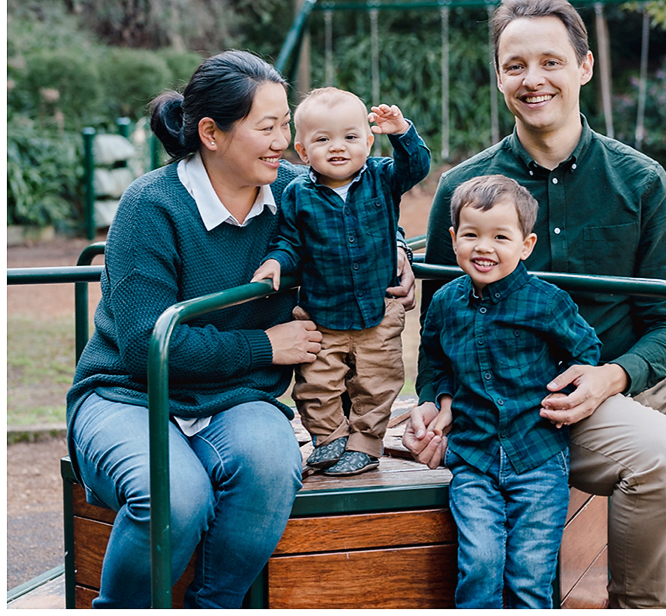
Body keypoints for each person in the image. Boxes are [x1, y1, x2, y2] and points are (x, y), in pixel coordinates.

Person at [405, 0, 666, 608]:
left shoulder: (638, 179)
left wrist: (613, 376)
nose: (532, 79)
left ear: (584, 67)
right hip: (524, 402)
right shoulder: (467, 189)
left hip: (628, 377)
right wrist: (435, 401)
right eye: (515, 65)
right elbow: (440, 329)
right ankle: (638, 604)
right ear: (499, 78)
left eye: (550, 61)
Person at [66, 52, 317, 607]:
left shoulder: (297, 193)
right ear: (211, 132)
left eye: (287, 125)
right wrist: (265, 346)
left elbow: (359, 211)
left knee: (273, 465)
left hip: (233, 397)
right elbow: (142, 346)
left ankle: (215, 605)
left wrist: (393, 250)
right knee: (177, 498)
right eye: (268, 127)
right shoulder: (152, 204)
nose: (286, 142)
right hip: (129, 393)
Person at [409, 175, 603, 608]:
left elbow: (586, 349)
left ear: (526, 244)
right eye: (472, 235)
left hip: (536, 454)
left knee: (529, 576)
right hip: (473, 457)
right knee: (479, 563)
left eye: (500, 236)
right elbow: (434, 358)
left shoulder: (546, 302)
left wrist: (569, 391)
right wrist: (442, 398)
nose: (484, 247)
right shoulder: (445, 302)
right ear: (454, 238)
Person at [252, 89, 431, 477]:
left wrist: (400, 132)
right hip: (322, 314)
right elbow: (290, 241)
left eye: (350, 137)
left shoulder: (382, 177)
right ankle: (328, 438)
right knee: (316, 383)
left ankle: (365, 445)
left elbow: (416, 166)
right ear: (302, 151)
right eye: (322, 139)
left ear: (368, 142)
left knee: (377, 382)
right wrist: (274, 262)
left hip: (376, 313)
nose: (337, 148)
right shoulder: (297, 194)